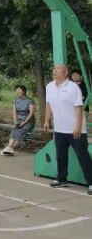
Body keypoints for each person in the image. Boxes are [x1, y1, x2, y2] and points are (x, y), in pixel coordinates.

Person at [44, 64, 92, 195]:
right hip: (59, 128)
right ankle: (61, 179)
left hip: (75, 129)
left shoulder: (73, 87)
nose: (55, 70)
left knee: (83, 156)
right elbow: (49, 105)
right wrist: (46, 121)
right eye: (54, 69)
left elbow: (79, 108)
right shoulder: (49, 86)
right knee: (60, 155)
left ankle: (91, 182)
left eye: (58, 69)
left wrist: (78, 127)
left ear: (65, 73)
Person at [1, 85, 36, 156]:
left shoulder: (30, 101)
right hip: (19, 120)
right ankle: (9, 148)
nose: (17, 92)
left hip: (29, 121)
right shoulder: (16, 100)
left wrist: (24, 122)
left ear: (24, 91)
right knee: (15, 129)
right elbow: (14, 112)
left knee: (20, 131)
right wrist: (15, 121)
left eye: (19, 90)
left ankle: (10, 148)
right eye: (16, 90)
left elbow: (31, 113)